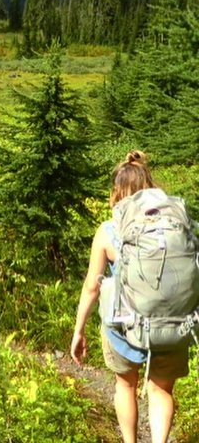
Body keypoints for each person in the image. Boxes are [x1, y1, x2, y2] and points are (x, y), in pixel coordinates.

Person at [70, 150, 190, 443]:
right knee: (161, 389)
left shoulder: (108, 231)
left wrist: (78, 330)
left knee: (125, 386)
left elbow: (92, 287)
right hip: (173, 324)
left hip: (125, 328)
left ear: (116, 192)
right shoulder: (177, 226)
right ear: (150, 185)